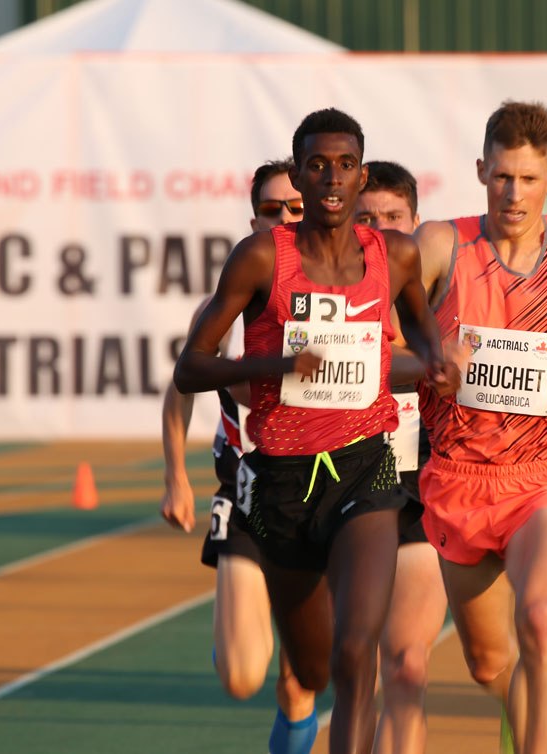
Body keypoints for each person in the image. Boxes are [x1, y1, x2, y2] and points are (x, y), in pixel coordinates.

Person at [174, 108, 454, 754]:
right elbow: (191, 366)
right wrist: (277, 365)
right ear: (299, 176)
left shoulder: (397, 255)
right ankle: (299, 708)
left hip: (365, 467)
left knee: (360, 651)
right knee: (317, 666)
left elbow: (417, 323)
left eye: (346, 165)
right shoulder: (259, 260)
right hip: (281, 481)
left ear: (362, 175)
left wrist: (434, 356)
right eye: (318, 165)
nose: (333, 178)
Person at [415, 101, 547, 754]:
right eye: (503, 176)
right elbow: (389, 333)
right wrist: (432, 356)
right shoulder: (440, 244)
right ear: (482, 170)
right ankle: (518, 709)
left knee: (540, 615)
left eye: (531, 179)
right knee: (487, 662)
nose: (515, 193)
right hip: (461, 476)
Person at [160, 159, 319, 754]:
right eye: (271, 211)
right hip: (248, 491)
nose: (284, 220)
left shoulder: (343, 295)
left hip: (322, 490)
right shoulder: (226, 301)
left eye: (295, 209)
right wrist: (175, 474)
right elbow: (181, 385)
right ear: (253, 220)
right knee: (241, 675)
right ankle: (237, 623)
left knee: (300, 680)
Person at [355, 160, 447, 754]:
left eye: (394, 217)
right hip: (347, 490)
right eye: (369, 218)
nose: (383, 229)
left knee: (408, 663)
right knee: (351, 665)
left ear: (415, 224)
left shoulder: (445, 299)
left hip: (421, 490)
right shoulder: (325, 294)